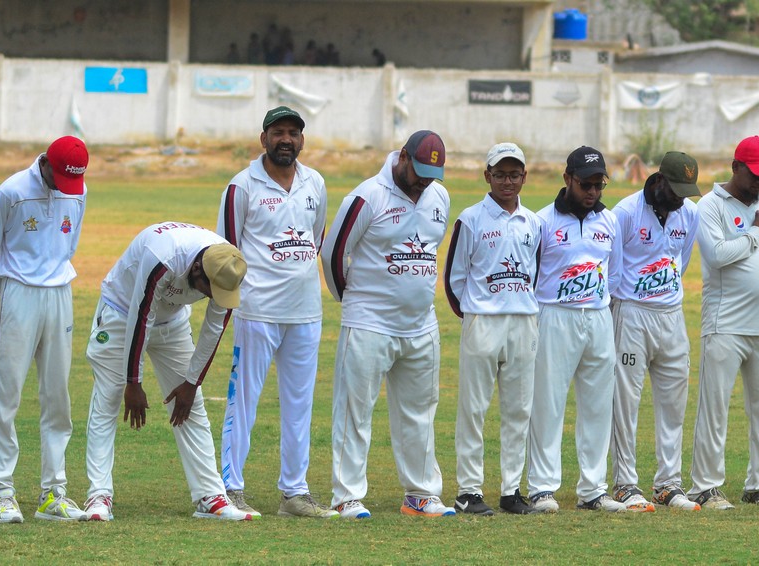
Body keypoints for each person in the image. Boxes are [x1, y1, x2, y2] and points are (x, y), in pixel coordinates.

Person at [81, 222, 252, 522]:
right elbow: (141, 315)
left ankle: (210, 496)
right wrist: (134, 383)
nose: (214, 297)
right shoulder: (163, 258)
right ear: (197, 270)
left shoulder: (228, 268)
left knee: (191, 406)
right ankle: (99, 495)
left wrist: (191, 383)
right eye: (210, 291)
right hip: (122, 312)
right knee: (108, 398)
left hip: (172, 321)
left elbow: (214, 328)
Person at [321, 130, 453, 518]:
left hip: (421, 325)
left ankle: (421, 494)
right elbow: (333, 255)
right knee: (354, 411)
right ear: (403, 157)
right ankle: (346, 495)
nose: (425, 181)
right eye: (420, 172)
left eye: (433, 175)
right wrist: (355, 302)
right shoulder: (367, 197)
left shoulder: (439, 196)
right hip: (369, 323)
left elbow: (430, 248)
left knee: (420, 412)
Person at [215, 107, 336, 519]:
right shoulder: (242, 185)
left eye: (293, 133)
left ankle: (295, 493)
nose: (287, 139)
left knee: (300, 405)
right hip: (257, 311)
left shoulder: (315, 183)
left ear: (302, 140)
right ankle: (230, 489)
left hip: (305, 311)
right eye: (278, 132)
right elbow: (225, 251)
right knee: (243, 401)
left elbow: (315, 238)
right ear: (263, 138)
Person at [0, 136, 90, 523]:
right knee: (6, 394)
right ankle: (1, 491)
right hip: (19, 292)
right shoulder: (11, 192)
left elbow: (69, 243)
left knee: (58, 396)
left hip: (59, 293)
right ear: (45, 164)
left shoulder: (78, 191)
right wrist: (11, 292)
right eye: (61, 178)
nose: (66, 187)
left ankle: (53, 493)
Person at [689, 135, 759, 510]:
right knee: (714, 410)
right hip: (725, 325)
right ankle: (705, 487)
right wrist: (755, 234)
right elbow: (717, 255)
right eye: (755, 175)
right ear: (736, 167)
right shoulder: (710, 205)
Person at [526, 146, 626, 514]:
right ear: (567, 178)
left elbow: (614, 274)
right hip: (554, 316)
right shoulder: (542, 221)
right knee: (548, 403)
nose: (593, 192)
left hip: (598, 316)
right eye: (586, 184)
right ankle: (542, 488)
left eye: (599, 185)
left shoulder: (609, 221)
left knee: (598, 405)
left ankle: (593, 490)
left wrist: (595, 302)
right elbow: (532, 274)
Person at [444, 143, 543, 516]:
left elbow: (535, 271)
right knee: (473, 409)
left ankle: (511, 490)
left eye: (514, 174)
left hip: (523, 321)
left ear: (524, 177)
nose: (507, 181)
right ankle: (469, 490)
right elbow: (454, 278)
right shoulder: (471, 219)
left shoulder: (533, 222)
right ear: (487, 176)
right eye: (500, 174)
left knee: (519, 410)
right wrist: (473, 315)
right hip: (482, 322)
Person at [608, 151, 701, 512]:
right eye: (676, 190)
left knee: (674, 404)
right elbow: (614, 268)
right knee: (625, 401)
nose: (680, 199)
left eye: (686, 192)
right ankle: (625, 483)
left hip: (672, 316)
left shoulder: (689, 214)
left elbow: (682, 261)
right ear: (659, 180)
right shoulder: (626, 213)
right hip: (632, 313)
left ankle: (668, 484)